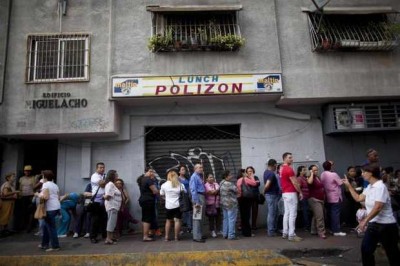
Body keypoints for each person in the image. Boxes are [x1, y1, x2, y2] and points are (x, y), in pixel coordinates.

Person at [343, 164, 400, 266]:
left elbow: (378, 207)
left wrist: (364, 221)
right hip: (373, 224)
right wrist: (349, 186)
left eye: (364, 172)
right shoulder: (370, 187)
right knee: (366, 250)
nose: (362, 174)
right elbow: (358, 198)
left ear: (371, 173)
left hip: (386, 225)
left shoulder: (380, 187)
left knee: (392, 254)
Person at [35, 170, 61, 252]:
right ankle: (44, 244)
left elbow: (45, 197)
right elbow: (58, 197)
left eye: (42, 176)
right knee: (47, 226)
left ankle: (55, 246)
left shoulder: (45, 185)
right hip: (56, 207)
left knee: (51, 228)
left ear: (44, 177)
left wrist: (38, 194)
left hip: (50, 208)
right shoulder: (55, 185)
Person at [280, 152, 303, 242]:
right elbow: (295, 182)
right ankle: (292, 235)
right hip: (291, 193)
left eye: (291, 157)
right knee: (292, 214)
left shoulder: (281, 169)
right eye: (290, 157)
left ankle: (285, 233)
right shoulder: (289, 169)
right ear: (285, 158)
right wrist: (300, 192)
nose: (292, 159)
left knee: (287, 213)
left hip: (285, 193)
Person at [320, 161, 346, 236]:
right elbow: (340, 183)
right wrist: (343, 180)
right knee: (335, 214)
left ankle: (331, 229)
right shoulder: (333, 174)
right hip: (335, 196)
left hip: (327, 196)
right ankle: (336, 231)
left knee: (330, 213)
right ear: (330, 167)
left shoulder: (322, 174)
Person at [160, 170, 185, 241]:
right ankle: (176, 237)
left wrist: (166, 198)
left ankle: (166, 237)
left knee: (168, 221)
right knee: (177, 221)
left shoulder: (164, 185)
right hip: (178, 205)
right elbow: (184, 192)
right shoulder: (180, 185)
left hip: (168, 206)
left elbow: (161, 194)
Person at [137, 167, 158, 241]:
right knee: (147, 218)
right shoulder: (148, 179)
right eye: (150, 171)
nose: (152, 173)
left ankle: (146, 234)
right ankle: (145, 236)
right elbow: (155, 191)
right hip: (148, 201)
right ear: (146, 172)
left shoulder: (142, 179)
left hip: (143, 200)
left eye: (153, 172)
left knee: (145, 217)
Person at [237, 168, 259, 237]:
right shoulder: (245, 179)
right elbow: (254, 183)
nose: (247, 173)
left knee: (243, 216)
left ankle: (244, 232)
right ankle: (247, 233)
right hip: (246, 199)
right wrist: (252, 177)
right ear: (243, 173)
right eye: (246, 172)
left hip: (240, 198)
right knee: (247, 216)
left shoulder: (238, 180)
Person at [307, 165, 327, 239]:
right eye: (314, 170)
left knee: (316, 215)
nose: (316, 171)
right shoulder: (310, 177)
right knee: (320, 216)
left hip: (320, 199)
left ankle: (313, 230)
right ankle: (321, 232)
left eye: (316, 170)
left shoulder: (317, 177)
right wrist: (311, 174)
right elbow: (309, 182)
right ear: (310, 171)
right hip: (314, 199)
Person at [89, 162, 107, 244]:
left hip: (104, 200)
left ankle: (104, 235)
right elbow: (102, 184)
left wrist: (105, 180)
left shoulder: (104, 176)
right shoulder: (94, 176)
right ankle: (93, 237)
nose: (102, 169)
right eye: (100, 167)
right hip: (96, 201)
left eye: (103, 167)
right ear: (97, 168)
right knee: (95, 220)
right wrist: (106, 181)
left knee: (104, 219)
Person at [15, 165, 36, 232]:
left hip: (30, 196)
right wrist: (19, 195)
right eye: (26, 171)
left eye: (28, 171)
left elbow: (35, 187)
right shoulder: (21, 178)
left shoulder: (33, 178)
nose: (27, 172)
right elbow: (19, 187)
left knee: (31, 211)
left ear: (30, 171)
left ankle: (29, 226)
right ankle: (22, 226)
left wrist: (34, 196)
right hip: (23, 196)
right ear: (24, 171)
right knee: (23, 211)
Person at [104, 170, 122, 244]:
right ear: (112, 176)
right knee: (111, 223)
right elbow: (108, 196)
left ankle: (110, 237)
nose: (117, 175)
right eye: (116, 174)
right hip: (112, 206)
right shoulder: (110, 184)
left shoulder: (112, 184)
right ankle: (108, 239)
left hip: (114, 206)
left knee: (112, 223)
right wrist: (104, 196)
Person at [219, 170, 239, 240]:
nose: (231, 176)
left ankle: (225, 234)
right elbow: (237, 190)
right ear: (226, 176)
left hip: (224, 204)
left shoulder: (221, 183)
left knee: (225, 219)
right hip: (231, 204)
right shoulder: (229, 184)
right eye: (230, 174)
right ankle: (231, 235)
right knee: (231, 219)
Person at [189, 164, 206, 243]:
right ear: (195, 169)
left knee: (201, 217)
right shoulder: (194, 177)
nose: (201, 169)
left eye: (202, 167)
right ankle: (196, 237)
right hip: (198, 197)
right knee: (197, 218)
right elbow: (193, 190)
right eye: (199, 167)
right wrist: (196, 202)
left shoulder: (199, 176)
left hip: (201, 196)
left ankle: (200, 234)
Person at [263, 159, 280, 237]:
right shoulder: (271, 174)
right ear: (273, 165)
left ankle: (272, 229)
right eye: (276, 165)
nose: (276, 167)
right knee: (272, 213)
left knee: (273, 213)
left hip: (271, 195)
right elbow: (267, 185)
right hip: (272, 195)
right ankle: (271, 231)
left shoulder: (266, 172)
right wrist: (264, 192)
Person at [204, 173, 221, 238]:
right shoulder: (205, 185)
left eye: (212, 177)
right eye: (210, 177)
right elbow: (209, 192)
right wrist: (213, 191)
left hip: (217, 204)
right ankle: (212, 230)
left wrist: (213, 191)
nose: (212, 178)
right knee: (211, 219)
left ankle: (218, 230)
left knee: (218, 218)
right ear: (207, 179)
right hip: (210, 204)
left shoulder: (216, 184)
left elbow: (216, 191)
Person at [178, 166, 192, 234]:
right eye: (182, 169)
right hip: (181, 198)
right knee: (182, 213)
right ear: (179, 171)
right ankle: (181, 229)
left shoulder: (187, 178)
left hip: (188, 197)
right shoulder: (177, 179)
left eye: (184, 169)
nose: (184, 170)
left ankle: (189, 227)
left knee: (189, 212)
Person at [296, 165, 310, 231]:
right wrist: (300, 194)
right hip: (303, 197)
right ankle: (306, 226)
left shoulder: (305, 178)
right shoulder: (299, 178)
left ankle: (307, 225)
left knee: (307, 211)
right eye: (303, 170)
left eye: (305, 170)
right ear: (300, 171)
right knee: (305, 211)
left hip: (307, 196)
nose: (305, 171)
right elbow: (298, 187)